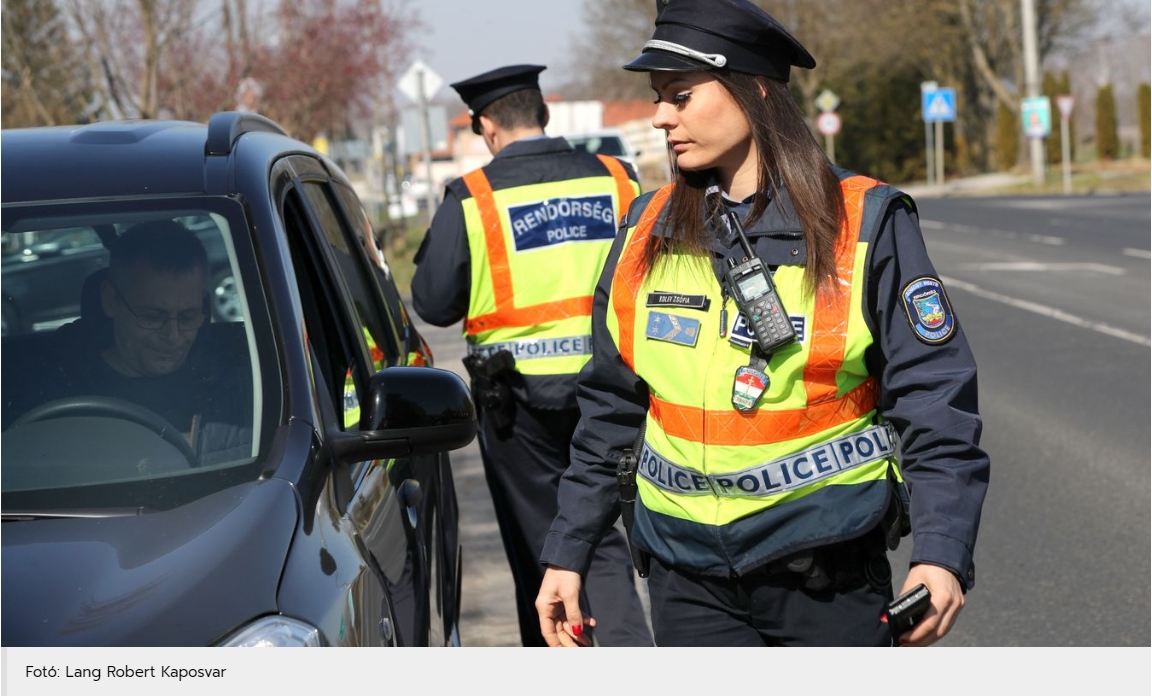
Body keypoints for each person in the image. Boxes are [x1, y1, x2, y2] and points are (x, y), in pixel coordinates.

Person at [536, 0, 990, 648]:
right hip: (683, 575)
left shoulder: (866, 223)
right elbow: (610, 406)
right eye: (659, 97)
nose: (662, 115)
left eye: (682, 95)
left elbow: (935, 399)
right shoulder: (644, 230)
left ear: (753, 91)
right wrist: (568, 549)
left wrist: (941, 551)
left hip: (825, 574)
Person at [411, 64, 653, 647]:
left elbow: (433, 302)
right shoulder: (619, 177)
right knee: (616, 534)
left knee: (547, 543)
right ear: (543, 114)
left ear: (487, 125)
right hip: (625, 390)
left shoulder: (473, 196)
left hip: (522, 406)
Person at [43, 221, 250, 465]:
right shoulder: (52, 386)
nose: (172, 336)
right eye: (152, 317)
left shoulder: (243, 379)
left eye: (187, 317)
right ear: (110, 300)